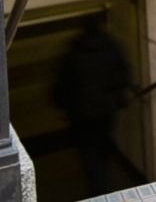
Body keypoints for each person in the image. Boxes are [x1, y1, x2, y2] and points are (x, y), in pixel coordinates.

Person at [52, 13, 132, 197]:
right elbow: (124, 73)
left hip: (81, 113)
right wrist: (119, 94)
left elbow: (63, 83)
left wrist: (61, 104)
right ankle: (102, 182)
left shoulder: (72, 52)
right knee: (103, 143)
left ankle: (97, 188)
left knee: (88, 151)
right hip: (106, 109)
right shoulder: (112, 47)